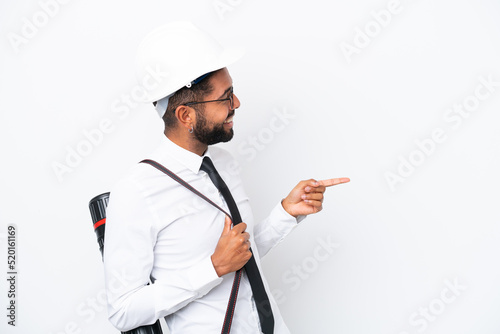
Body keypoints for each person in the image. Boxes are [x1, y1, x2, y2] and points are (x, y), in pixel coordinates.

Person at [103, 21, 350, 334]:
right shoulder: (137, 191)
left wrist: (286, 214)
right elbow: (123, 311)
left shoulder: (223, 163)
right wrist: (212, 267)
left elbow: (241, 255)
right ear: (185, 116)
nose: (236, 104)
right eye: (226, 97)